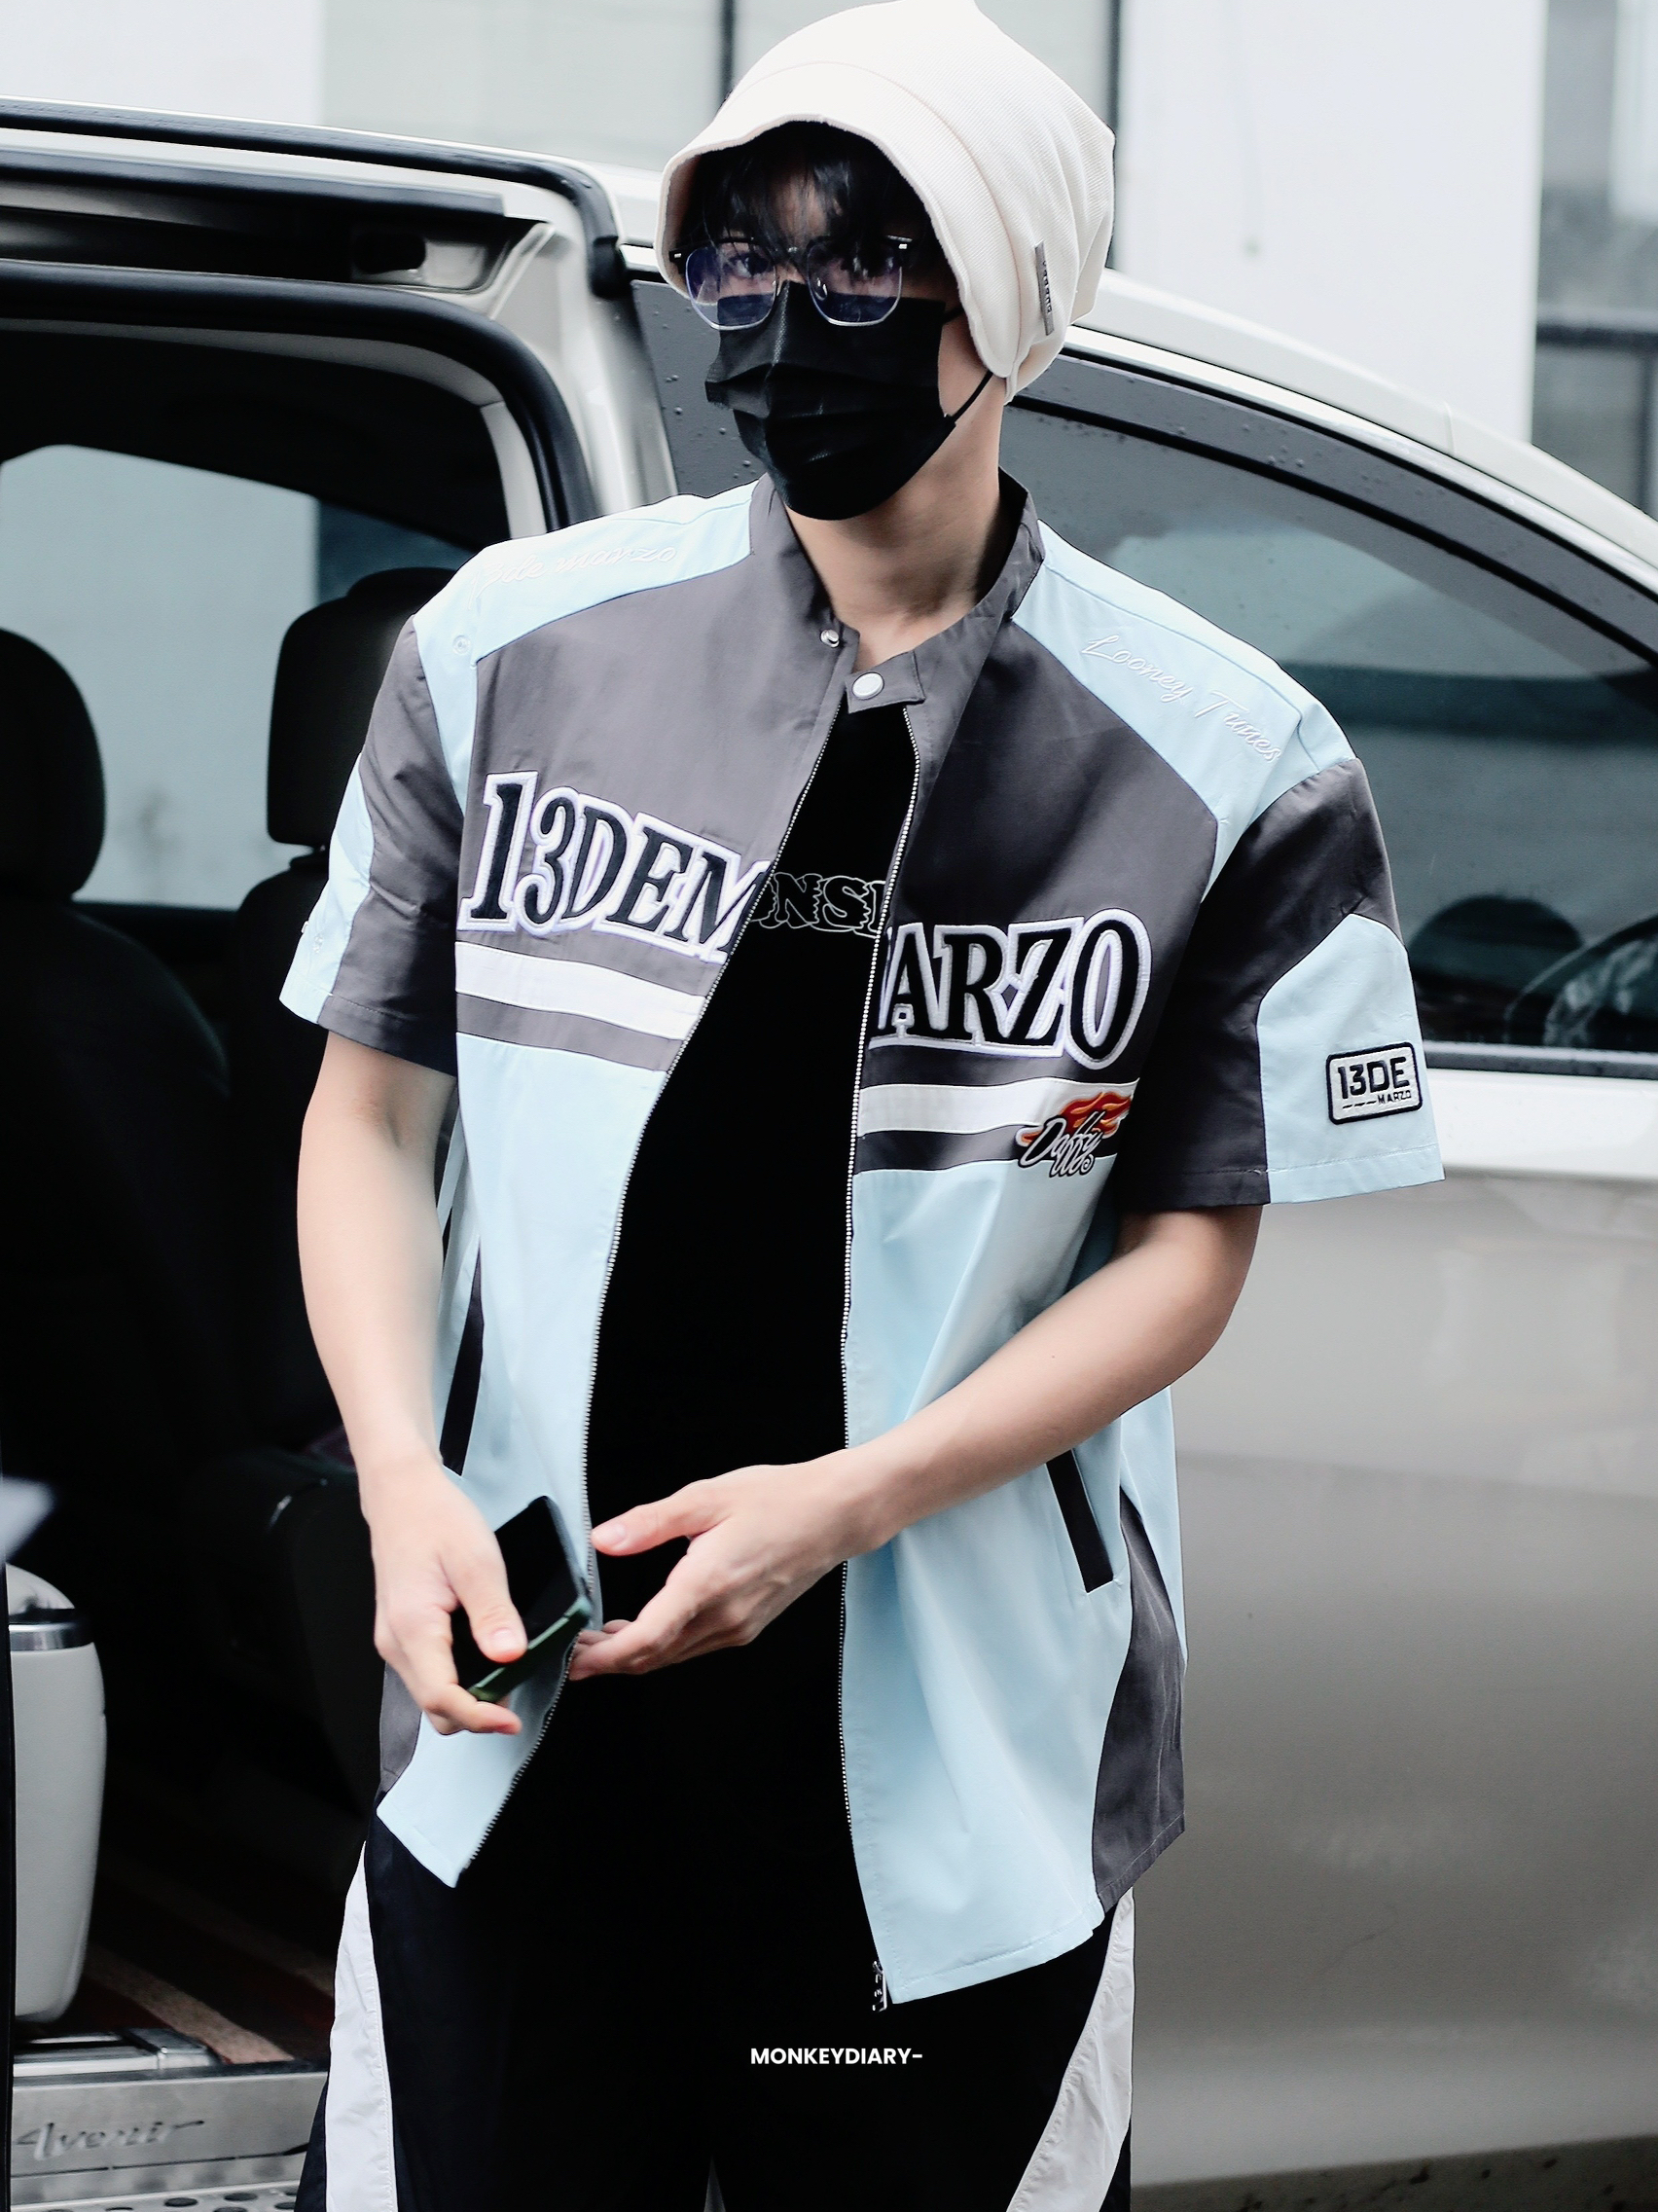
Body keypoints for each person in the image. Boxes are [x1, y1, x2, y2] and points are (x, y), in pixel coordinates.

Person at [285, 5, 1442, 2206]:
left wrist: (847, 1501)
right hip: (526, 1716)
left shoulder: (1228, 760)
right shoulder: (509, 650)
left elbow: (1187, 1255)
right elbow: (369, 1119)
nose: (789, 318)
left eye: (873, 263)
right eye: (745, 258)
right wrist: (401, 1487)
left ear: (1019, 299)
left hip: (949, 1754)